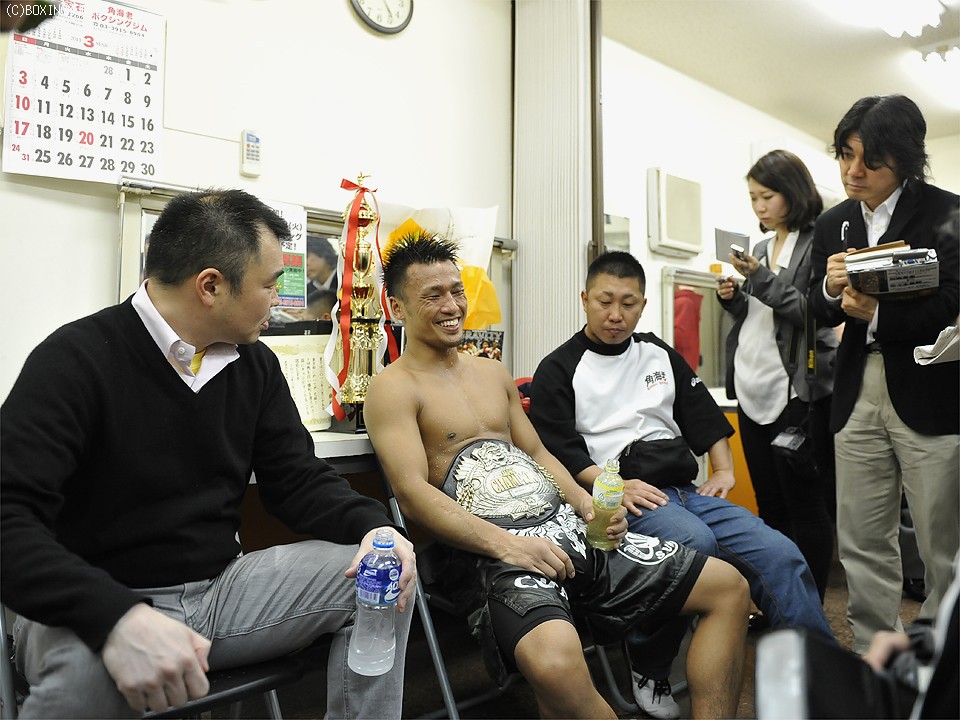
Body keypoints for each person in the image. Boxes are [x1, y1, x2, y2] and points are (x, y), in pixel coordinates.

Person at [0, 189, 416, 719]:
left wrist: (374, 528)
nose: (278, 299)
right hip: (93, 599)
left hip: (219, 593)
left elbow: (297, 480)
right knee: (89, 682)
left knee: (382, 578)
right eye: (270, 284)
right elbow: (8, 517)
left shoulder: (253, 365)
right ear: (211, 286)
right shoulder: (74, 361)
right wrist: (115, 617)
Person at [364, 231, 750, 720]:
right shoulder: (392, 388)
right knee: (555, 663)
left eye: (456, 291)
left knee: (729, 588)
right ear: (397, 308)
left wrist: (588, 505)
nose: (451, 306)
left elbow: (537, 451)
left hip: (569, 529)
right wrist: (509, 546)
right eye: (432, 295)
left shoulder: (491, 372)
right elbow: (412, 493)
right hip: (494, 552)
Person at [530, 250, 833, 718]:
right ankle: (649, 663)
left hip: (686, 492)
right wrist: (614, 486)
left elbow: (702, 416)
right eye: (605, 302)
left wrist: (724, 470)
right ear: (585, 299)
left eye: (628, 303)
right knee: (694, 544)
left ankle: (823, 678)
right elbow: (558, 452)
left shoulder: (657, 353)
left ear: (643, 304)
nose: (616, 315)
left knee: (781, 554)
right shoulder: (558, 368)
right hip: (620, 500)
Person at [808, 94, 959, 655]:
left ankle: (940, 657)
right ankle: (878, 654)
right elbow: (817, 308)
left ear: (906, 159)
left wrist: (879, 314)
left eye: (871, 161)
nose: (854, 171)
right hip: (855, 390)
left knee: (943, 540)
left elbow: (953, 301)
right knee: (862, 537)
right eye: (846, 155)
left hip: (930, 387)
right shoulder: (835, 221)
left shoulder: (948, 213)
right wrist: (829, 289)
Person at [717, 149, 838, 601]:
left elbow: (814, 314)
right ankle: (780, 600)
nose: (759, 206)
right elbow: (759, 315)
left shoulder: (818, 241)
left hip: (795, 389)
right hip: (750, 384)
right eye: (753, 198)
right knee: (768, 505)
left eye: (767, 196)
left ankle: (808, 608)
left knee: (805, 505)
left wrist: (760, 279)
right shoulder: (761, 248)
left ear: (793, 192)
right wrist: (734, 297)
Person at [307, 235, 341, 301]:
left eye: (306, 257)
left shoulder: (345, 280)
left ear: (322, 252)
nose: (305, 264)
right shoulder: (306, 292)